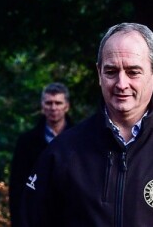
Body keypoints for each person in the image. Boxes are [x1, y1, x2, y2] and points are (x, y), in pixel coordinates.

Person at [21, 22, 153, 226]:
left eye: (133, 72)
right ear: (99, 74)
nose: (121, 83)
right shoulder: (62, 152)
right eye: (111, 71)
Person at [9, 82, 72, 227]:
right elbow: (17, 188)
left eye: (58, 103)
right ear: (43, 106)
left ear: (66, 106)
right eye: (49, 103)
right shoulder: (26, 142)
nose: (53, 108)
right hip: (36, 219)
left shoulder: (80, 139)